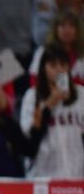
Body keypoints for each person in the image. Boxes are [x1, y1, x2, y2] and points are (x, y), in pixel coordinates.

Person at [19, 44, 84, 178]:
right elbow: (28, 136)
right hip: (43, 173)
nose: (59, 70)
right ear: (44, 68)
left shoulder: (81, 94)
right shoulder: (32, 96)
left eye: (63, 65)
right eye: (53, 66)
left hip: (76, 172)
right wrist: (49, 103)